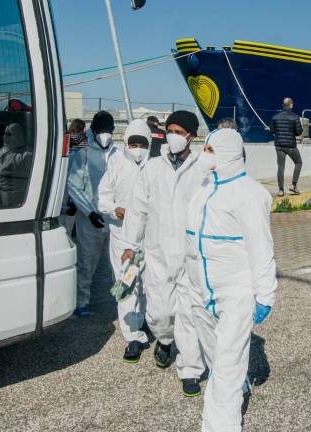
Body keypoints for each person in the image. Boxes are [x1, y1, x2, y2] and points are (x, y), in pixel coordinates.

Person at [184, 128, 277, 431]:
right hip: (200, 289)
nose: (204, 153)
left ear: (226, 153)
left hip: (235, 292)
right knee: (215, 354)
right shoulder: (203, 188)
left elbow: (261, 247)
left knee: (224, 365)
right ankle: (239, 383)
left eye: (210, 149)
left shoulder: (250, 194)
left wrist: (265, 294)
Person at [120, 111, 206, 396]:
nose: (173, 135)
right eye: (170, 130)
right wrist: (130, 245)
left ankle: (190, 369)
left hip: (190, 255)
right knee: (160, 314)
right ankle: (165, 340)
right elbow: (137, 209)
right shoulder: (153, 167)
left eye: (179, 131)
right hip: (157, 254)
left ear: (191, 136)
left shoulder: (201, 168)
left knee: (189, 315)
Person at [97, 119, 151, 363]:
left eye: (142, 143)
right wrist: (115, 210)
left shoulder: (156, 167)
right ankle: (132, 337)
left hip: (149, 237)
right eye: (133, 143)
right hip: (122, 238)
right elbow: (102, 198)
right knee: (127, 284)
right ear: (126, 143)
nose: (137, 148)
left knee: (149, 284)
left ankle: (145, 322)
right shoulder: (116, 164)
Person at [66, 111, 117, 316]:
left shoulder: (118, 153)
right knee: (86, 261)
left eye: (108, 131)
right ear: (92, 131)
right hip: (89, 217)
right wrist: (88, 212)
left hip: (112, 217)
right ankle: (81, 303)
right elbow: (73, 183)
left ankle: (109, 300)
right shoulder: (82, 150)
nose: (105, 134)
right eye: (101, 131)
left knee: (112, 263)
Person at [0, 123, 33, 208]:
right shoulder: (2, 151)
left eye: (9, 134)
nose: (5, 137)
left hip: (15, 203)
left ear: (17, 135)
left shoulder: (26, 155)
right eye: (4, 133)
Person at [270, 97, 303, 197]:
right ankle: (293, 186)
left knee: (281, 167)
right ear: (291, 105)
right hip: (291, 146)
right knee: (298, 162)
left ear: (283, 105)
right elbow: (299, 132)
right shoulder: (294, 117)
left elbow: (272, 131)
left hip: (279, 146)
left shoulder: (275, 117)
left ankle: (280, 190)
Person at [61, 119, 87, 236]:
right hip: (73, 183)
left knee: (62, 218)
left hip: (61, 183)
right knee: (71, 218)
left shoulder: (64, 138)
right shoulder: (83, 141)